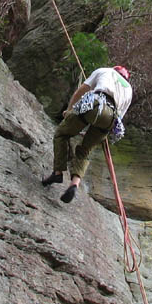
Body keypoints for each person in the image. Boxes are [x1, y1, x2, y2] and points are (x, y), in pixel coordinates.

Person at [43, 65, 133, 203]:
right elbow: (120, 116)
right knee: (85, 150)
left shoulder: (104, 71)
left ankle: (58, 172)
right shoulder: (129, 90)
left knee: (62, 134)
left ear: (115, 70)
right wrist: (102, 135)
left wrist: (69, 111)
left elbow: (81, 91)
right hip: (110, 118)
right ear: (125, 78)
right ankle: (75, 183)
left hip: (95, 104)